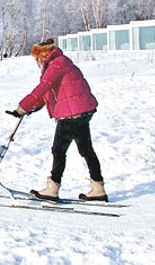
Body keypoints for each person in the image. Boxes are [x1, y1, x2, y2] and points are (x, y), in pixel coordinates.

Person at [8, 38, 107, 202]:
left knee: (58, 150)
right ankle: (98, 188)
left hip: (71, 114)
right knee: (86, 150)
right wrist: (32, 107)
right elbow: (47, 93)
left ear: (44, 54)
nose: (37, 62)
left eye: (37, 58)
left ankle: (52, 189)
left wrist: (22, 107)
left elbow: (42, 88)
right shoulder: (60, 63)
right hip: (82, 111)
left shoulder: (56, 64)